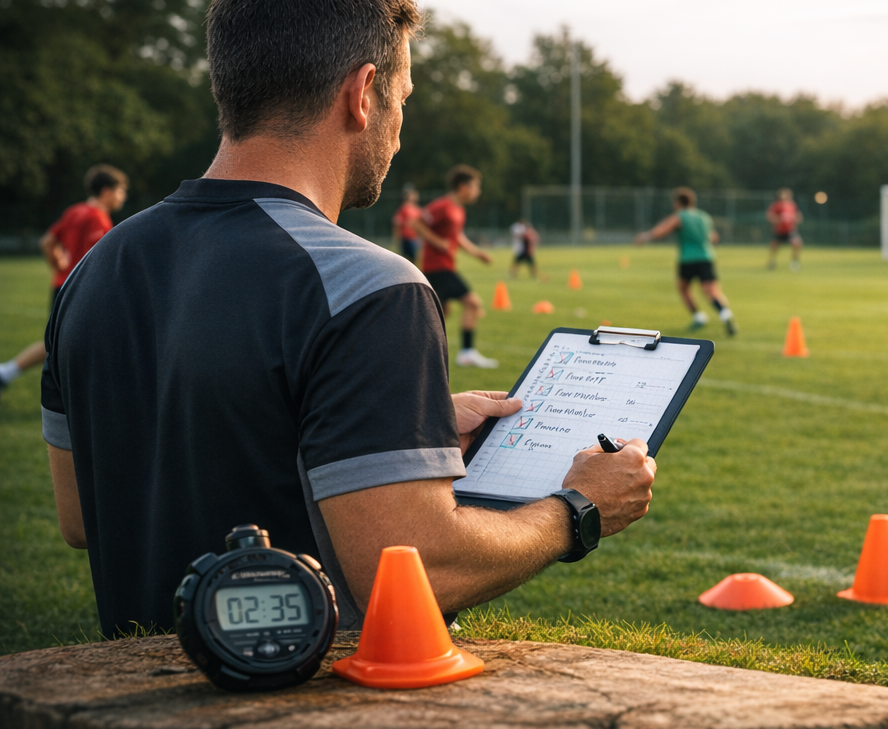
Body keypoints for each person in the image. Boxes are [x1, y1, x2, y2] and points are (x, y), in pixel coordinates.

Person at [41, 0, 657, 638]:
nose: (399, 131)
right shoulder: (368, 285)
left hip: (137, 701)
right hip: (308, 710)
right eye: (404, 100)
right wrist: (577, 507)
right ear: (363, 93)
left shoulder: (93, 272)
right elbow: (415, 570)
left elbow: (83, 516)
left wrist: (389, 427)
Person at [2, 166, 128, 397]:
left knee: (60, 343)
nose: (124, 196)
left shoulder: (75, 211)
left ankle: (7, 372)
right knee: (92, 343)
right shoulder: (98, 219)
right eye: (121, 191)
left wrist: (59, 266)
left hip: (62, 286)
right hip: (84, 291)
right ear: (107, 192)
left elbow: (47, 242)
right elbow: (100, 264)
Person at [413, 165, 498, 368]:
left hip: (444, 267)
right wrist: (437, 241)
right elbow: (415, 223)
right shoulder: (443, 205)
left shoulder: (458, 210)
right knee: (473, 303)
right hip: (437, 267)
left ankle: (417, 350)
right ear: (463, 187)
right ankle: (467, 353)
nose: (478, 191)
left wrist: (477, 254)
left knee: (441, 313)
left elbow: (456, 237)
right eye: (475, 186)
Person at [635, 187, 738, 335]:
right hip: (706, 257)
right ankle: (725, 314)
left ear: (678, 202)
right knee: (712, 290)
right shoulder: (704, 216)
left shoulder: (680, 216)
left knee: (683, 288)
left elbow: (661, 231)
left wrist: (644, 237)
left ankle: (699, 317)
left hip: (688, 259)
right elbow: (714, 238)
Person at [765, 188, 803, 271]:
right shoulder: (776, 205)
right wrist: (778, 219)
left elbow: (799, 216)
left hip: (790, 230)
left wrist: (795, 219)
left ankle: (794, 261)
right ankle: (772, 261)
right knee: (774, 246)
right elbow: (769, 216)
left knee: (797, 243)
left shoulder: (792, 205)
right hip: (779, 230)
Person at [392, 184, 422, 266]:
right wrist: (397, 237)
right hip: (406, 238)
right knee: (405, 261)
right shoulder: (404, 208)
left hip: (414, 239)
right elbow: (396, 222)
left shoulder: (417, 209)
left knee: (414, 261)